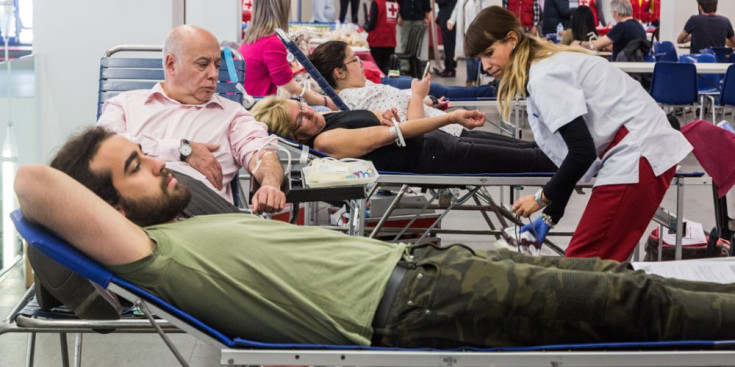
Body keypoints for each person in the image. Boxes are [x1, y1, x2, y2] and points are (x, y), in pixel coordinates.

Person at [16, 126, 735, 347]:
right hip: (410, 300)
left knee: (621, 283)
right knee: (639, 308)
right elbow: (31, 184)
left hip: (420, 269)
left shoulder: (184, 223)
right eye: (135, 169)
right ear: (104, 208)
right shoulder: (151, 256)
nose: (158, 165)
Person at [464, 5, 693, 262]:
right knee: (593, 266)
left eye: (489, 53)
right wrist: (550, 216)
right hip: (634, 151)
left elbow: (581, 152)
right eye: (479, 59)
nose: (485, 66)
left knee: (584, 267)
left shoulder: (543, 75)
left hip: (638, 154)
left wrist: (542, 198)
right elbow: (577, 154)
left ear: (512, 39)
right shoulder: (543, 66)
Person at [97, 25, 285, 212]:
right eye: (202, 65)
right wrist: (181, 149)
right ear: (171, 64)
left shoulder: (233, 115)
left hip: (196, 216)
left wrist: (270, 184)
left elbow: (261, 153)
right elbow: (101, 150)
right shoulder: (125, 105)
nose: (213, 75)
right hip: (132, 211)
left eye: (217, 65)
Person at [251, 96, 556, 174]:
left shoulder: (325, 120)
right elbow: (391, 136)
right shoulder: (325, 141)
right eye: (301, 119)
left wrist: (383, 118)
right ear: (295, 136)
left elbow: (377, 127)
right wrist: (449, 116)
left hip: (440, 144)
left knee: (530, 146)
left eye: (303, 107)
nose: (309, 112)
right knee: (532, 159)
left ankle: (584, 154)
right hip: (437, 156)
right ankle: (587, 163)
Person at [309, 40, 493, 125]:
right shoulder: (360, 96)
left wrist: (424, 99)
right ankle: (491, 91)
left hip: (446, 129)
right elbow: (413, 128)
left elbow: (402, 107)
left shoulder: (363, 88)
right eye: (355, 59)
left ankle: (490, 90)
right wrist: (418, 96)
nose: (361, 63)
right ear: (339, 72)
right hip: (445, 136)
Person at [239, 0, 338, 110]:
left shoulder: (250, 40)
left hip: (252, 104)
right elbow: (291, 88)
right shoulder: (271, 43)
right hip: (262, 109)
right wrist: (325, 101)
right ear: (282, 9)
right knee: (324, 111)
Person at [574, 0, 646, 61]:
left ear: (617, 13)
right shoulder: (638, 25)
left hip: (622, 68)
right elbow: (627, 45)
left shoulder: (621, 27)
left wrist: (579, 43)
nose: (612, 15)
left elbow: (596, 45)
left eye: (612, 12)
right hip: (635, 66)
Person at [364, 0, 400, 74]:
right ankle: (390, 83)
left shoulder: (376, 3)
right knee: (389, 70)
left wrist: (363, 28)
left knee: (377, 71)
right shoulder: (396, 4)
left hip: (377, 41)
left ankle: (378, 84)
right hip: (391, 41)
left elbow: (371, 25)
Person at [397, 0, 431, 70]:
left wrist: (427, 17)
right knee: (405, 42)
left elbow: (426, 3)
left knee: (416, 44)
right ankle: (404, 67)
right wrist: (399, 16)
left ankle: (414, 66)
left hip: (419, 17)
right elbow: (398, 3)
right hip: (405, 17)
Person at [436, 0, 458, 77]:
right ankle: (448, 67)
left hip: (448, 19)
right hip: (446, 19)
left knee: (449, 46)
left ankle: (451, 68)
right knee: (447, 46)